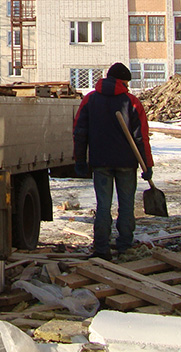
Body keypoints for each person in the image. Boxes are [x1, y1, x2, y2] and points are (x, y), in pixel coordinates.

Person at [72, 62, 154, 260]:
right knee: (126, 205)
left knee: (103, 205)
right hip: (127, 163)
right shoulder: (131, 102)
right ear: (123, 81)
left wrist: (81, 160)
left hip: (100, 162)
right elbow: (141, 136)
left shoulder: (90, 100)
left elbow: (79, 132)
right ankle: (124, 246)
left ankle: (101, 248)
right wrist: (147, 164)